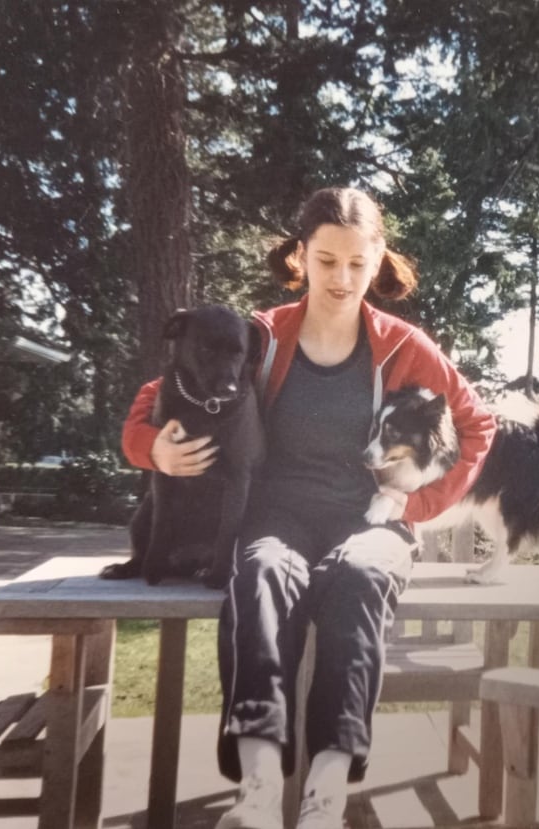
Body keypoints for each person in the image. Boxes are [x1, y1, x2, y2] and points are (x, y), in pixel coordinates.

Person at [121, 187, 497, 829]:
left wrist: (417, 502)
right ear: (300, 258)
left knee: (361, 576)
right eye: (326, 261)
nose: (342, 278)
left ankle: (327, 793)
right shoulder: (264, 337)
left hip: (371, 520)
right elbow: (158, 394)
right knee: (260, 570)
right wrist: (151, 447)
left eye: (356, 263)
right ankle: (259, 789)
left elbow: (477, 425)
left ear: (378, 261)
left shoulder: (405, 345)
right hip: (278, 518)